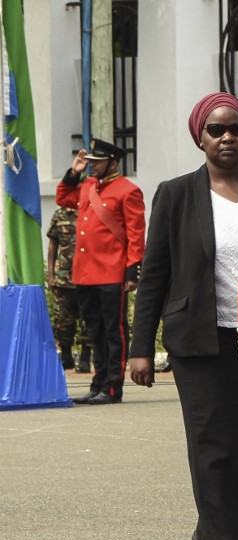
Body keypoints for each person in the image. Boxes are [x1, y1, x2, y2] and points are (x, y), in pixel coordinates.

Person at [127, 93, 238, 540]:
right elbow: (154, 276)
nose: (227, 138)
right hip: (202, 342)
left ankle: (211, 528)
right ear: (200, 137)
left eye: (235, 128)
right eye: (216, 130)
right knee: (215, 446)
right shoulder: (176, 194)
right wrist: (139, 346)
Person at [56, 138, 146, 405]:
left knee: (113, 331)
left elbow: (136, 234)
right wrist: (74, 171)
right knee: (94, 331)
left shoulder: (128, 191)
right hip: (85, 274)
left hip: (111, 273)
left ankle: (112, 388)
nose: (92, 167)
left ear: (113, 162)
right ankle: (97, 385)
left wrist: (132, 272)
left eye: (97, 162)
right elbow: (63, 197)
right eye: (90, 162)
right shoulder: (86, 187)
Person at [46, 205, 92, 373]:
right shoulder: (60, 214)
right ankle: (66, 357)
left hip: (88, 277)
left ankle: (86, 357)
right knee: (62, 321)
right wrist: (51, 274)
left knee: (88, 320)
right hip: (64, 278)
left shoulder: (91, 210)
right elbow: (53, 245)